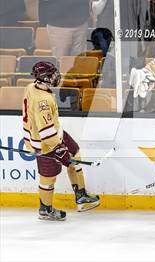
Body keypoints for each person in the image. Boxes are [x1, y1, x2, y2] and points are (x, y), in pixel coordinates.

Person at [23, 62, 100, 221]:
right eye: (51, 75)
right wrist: (59, 149)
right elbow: (45, 130)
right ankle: (45, 209)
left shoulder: (32, 87)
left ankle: (81, 195)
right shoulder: (42, 102)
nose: (55, 76)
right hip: (45, 143)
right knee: (48, 177)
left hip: (55, 133)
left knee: (75, 153)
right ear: (44, 78)